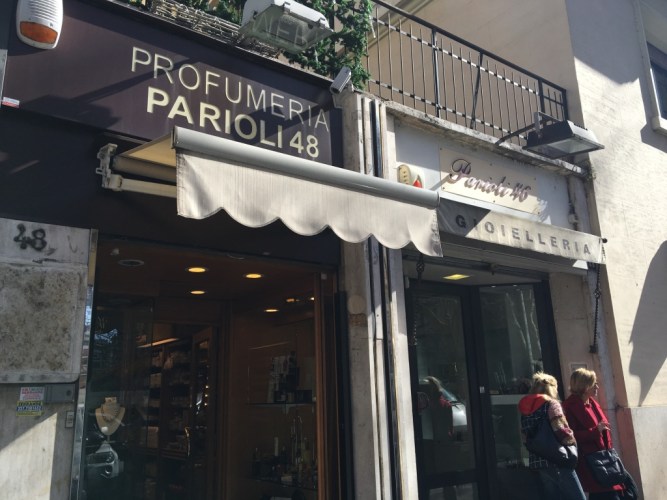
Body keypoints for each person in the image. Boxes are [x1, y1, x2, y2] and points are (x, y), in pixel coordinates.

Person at [518, 371, 586, 500]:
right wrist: (572, 444)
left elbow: (524, 436)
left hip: (538, 462)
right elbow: (561, 429)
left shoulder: (525, 410)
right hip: (558, 460)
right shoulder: (551, 404)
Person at [563, 368, 626, 499]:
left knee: (623, 491)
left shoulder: (592, 403)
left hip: (606, 457)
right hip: (590, 462)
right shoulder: (570, 406)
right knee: (605, 494)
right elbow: (570, 436)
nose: (597, 386)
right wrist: (595, 432)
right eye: (594, 383)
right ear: (585, 386)